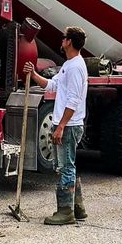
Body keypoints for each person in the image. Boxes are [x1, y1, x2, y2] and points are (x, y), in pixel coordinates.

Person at [23, 25, 89, 226]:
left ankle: (65, 211)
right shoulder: (69, 65)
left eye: (64, 37)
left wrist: (61, 126)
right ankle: (78, 208)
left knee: (65, 167)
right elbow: (52, 85)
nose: (61, 40)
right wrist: (34, 75)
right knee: (67, 165)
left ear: (69, 41)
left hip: (69, 125)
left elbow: (74, 100)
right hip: (66, 123)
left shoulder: (76, 67)